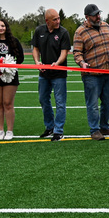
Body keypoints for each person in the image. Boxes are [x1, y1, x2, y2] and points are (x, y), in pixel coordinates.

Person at [74, 3, 109, 140]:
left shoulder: (106, 26)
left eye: (98, 14)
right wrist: (82, 63)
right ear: (87, 17)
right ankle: (94, 130)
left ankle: (104, 127)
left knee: (108, 101)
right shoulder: (80, 32)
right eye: (95, 15)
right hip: (92, 75)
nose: (98, 16)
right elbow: (77, 52)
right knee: (92, 104)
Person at [31, 8, 72, 141]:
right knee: (43, 99)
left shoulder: (63, 32)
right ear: (47, 21)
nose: (58, 21)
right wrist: (37, 62)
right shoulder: (39, 31)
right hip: (44, 73)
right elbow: (35, 49)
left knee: (60, 102)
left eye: (59, 18)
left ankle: (58, 131)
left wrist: (57, 63)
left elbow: (64, 52)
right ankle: (50, 127)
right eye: (55, 19)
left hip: (59, 74)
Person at [0, 18, 24, 140]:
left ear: (6, 27)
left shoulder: (14, 41)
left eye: (3, 26)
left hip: (10, 76)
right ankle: (0, 130)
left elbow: (21, 58)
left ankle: (10, 131)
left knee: (8, 103)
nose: (0, 28)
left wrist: (10, 65)